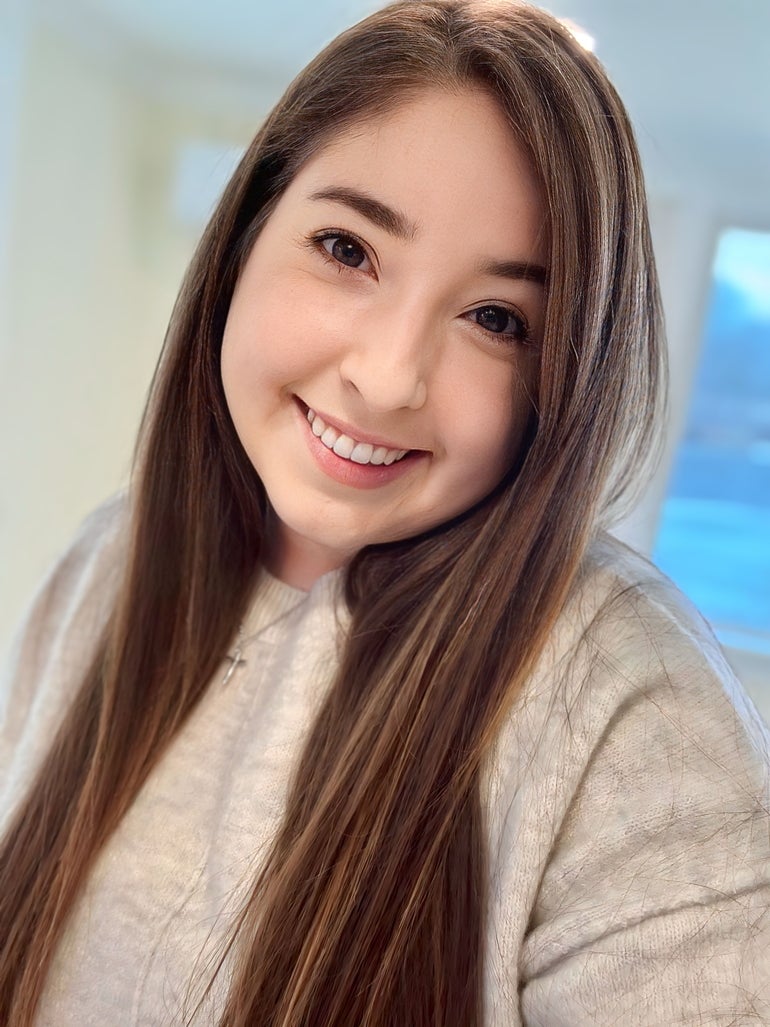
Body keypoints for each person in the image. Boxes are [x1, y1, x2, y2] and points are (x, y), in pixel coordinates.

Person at [1, 0, 769, 1024]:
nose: (388, 375)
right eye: (347, 249)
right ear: (243, 237)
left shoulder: (625, 706)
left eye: (496, 319)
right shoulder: (110, 558)